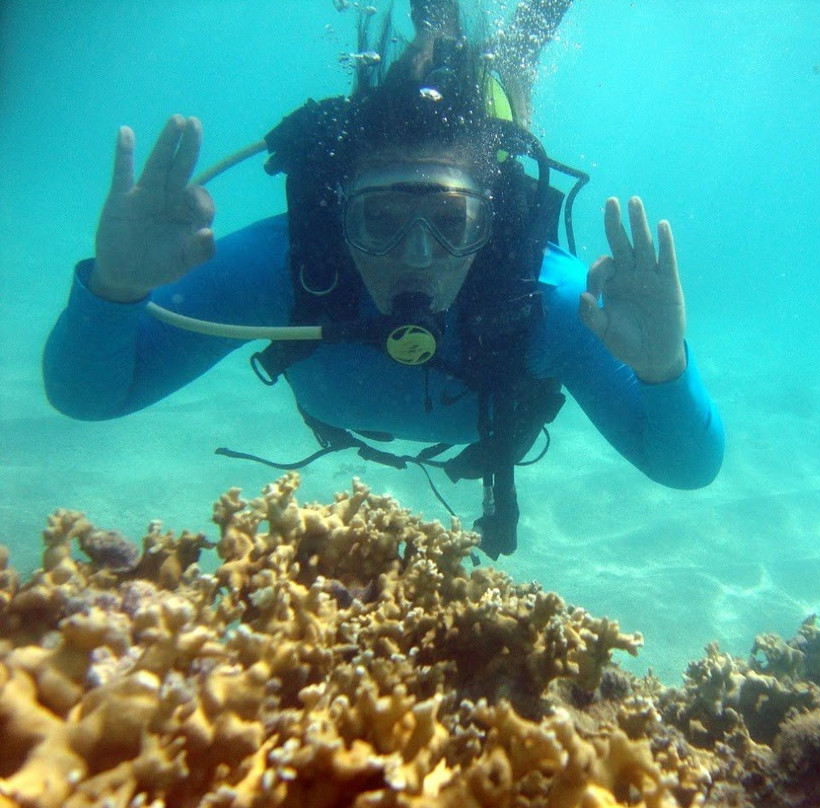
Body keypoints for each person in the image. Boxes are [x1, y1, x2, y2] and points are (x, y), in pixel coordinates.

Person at [43, 0, 724, 558]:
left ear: (491, 227)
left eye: (451, 222)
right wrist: (115, 287)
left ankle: (504, 55)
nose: (418, 256)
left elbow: (684, 467)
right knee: (487, 108)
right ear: (340, 215)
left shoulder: (546, 300)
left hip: (494, 181)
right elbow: (90, 397)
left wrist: (665, 368)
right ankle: (445, 34)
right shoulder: (293, 269)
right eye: (382, 220)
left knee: (505, 105)